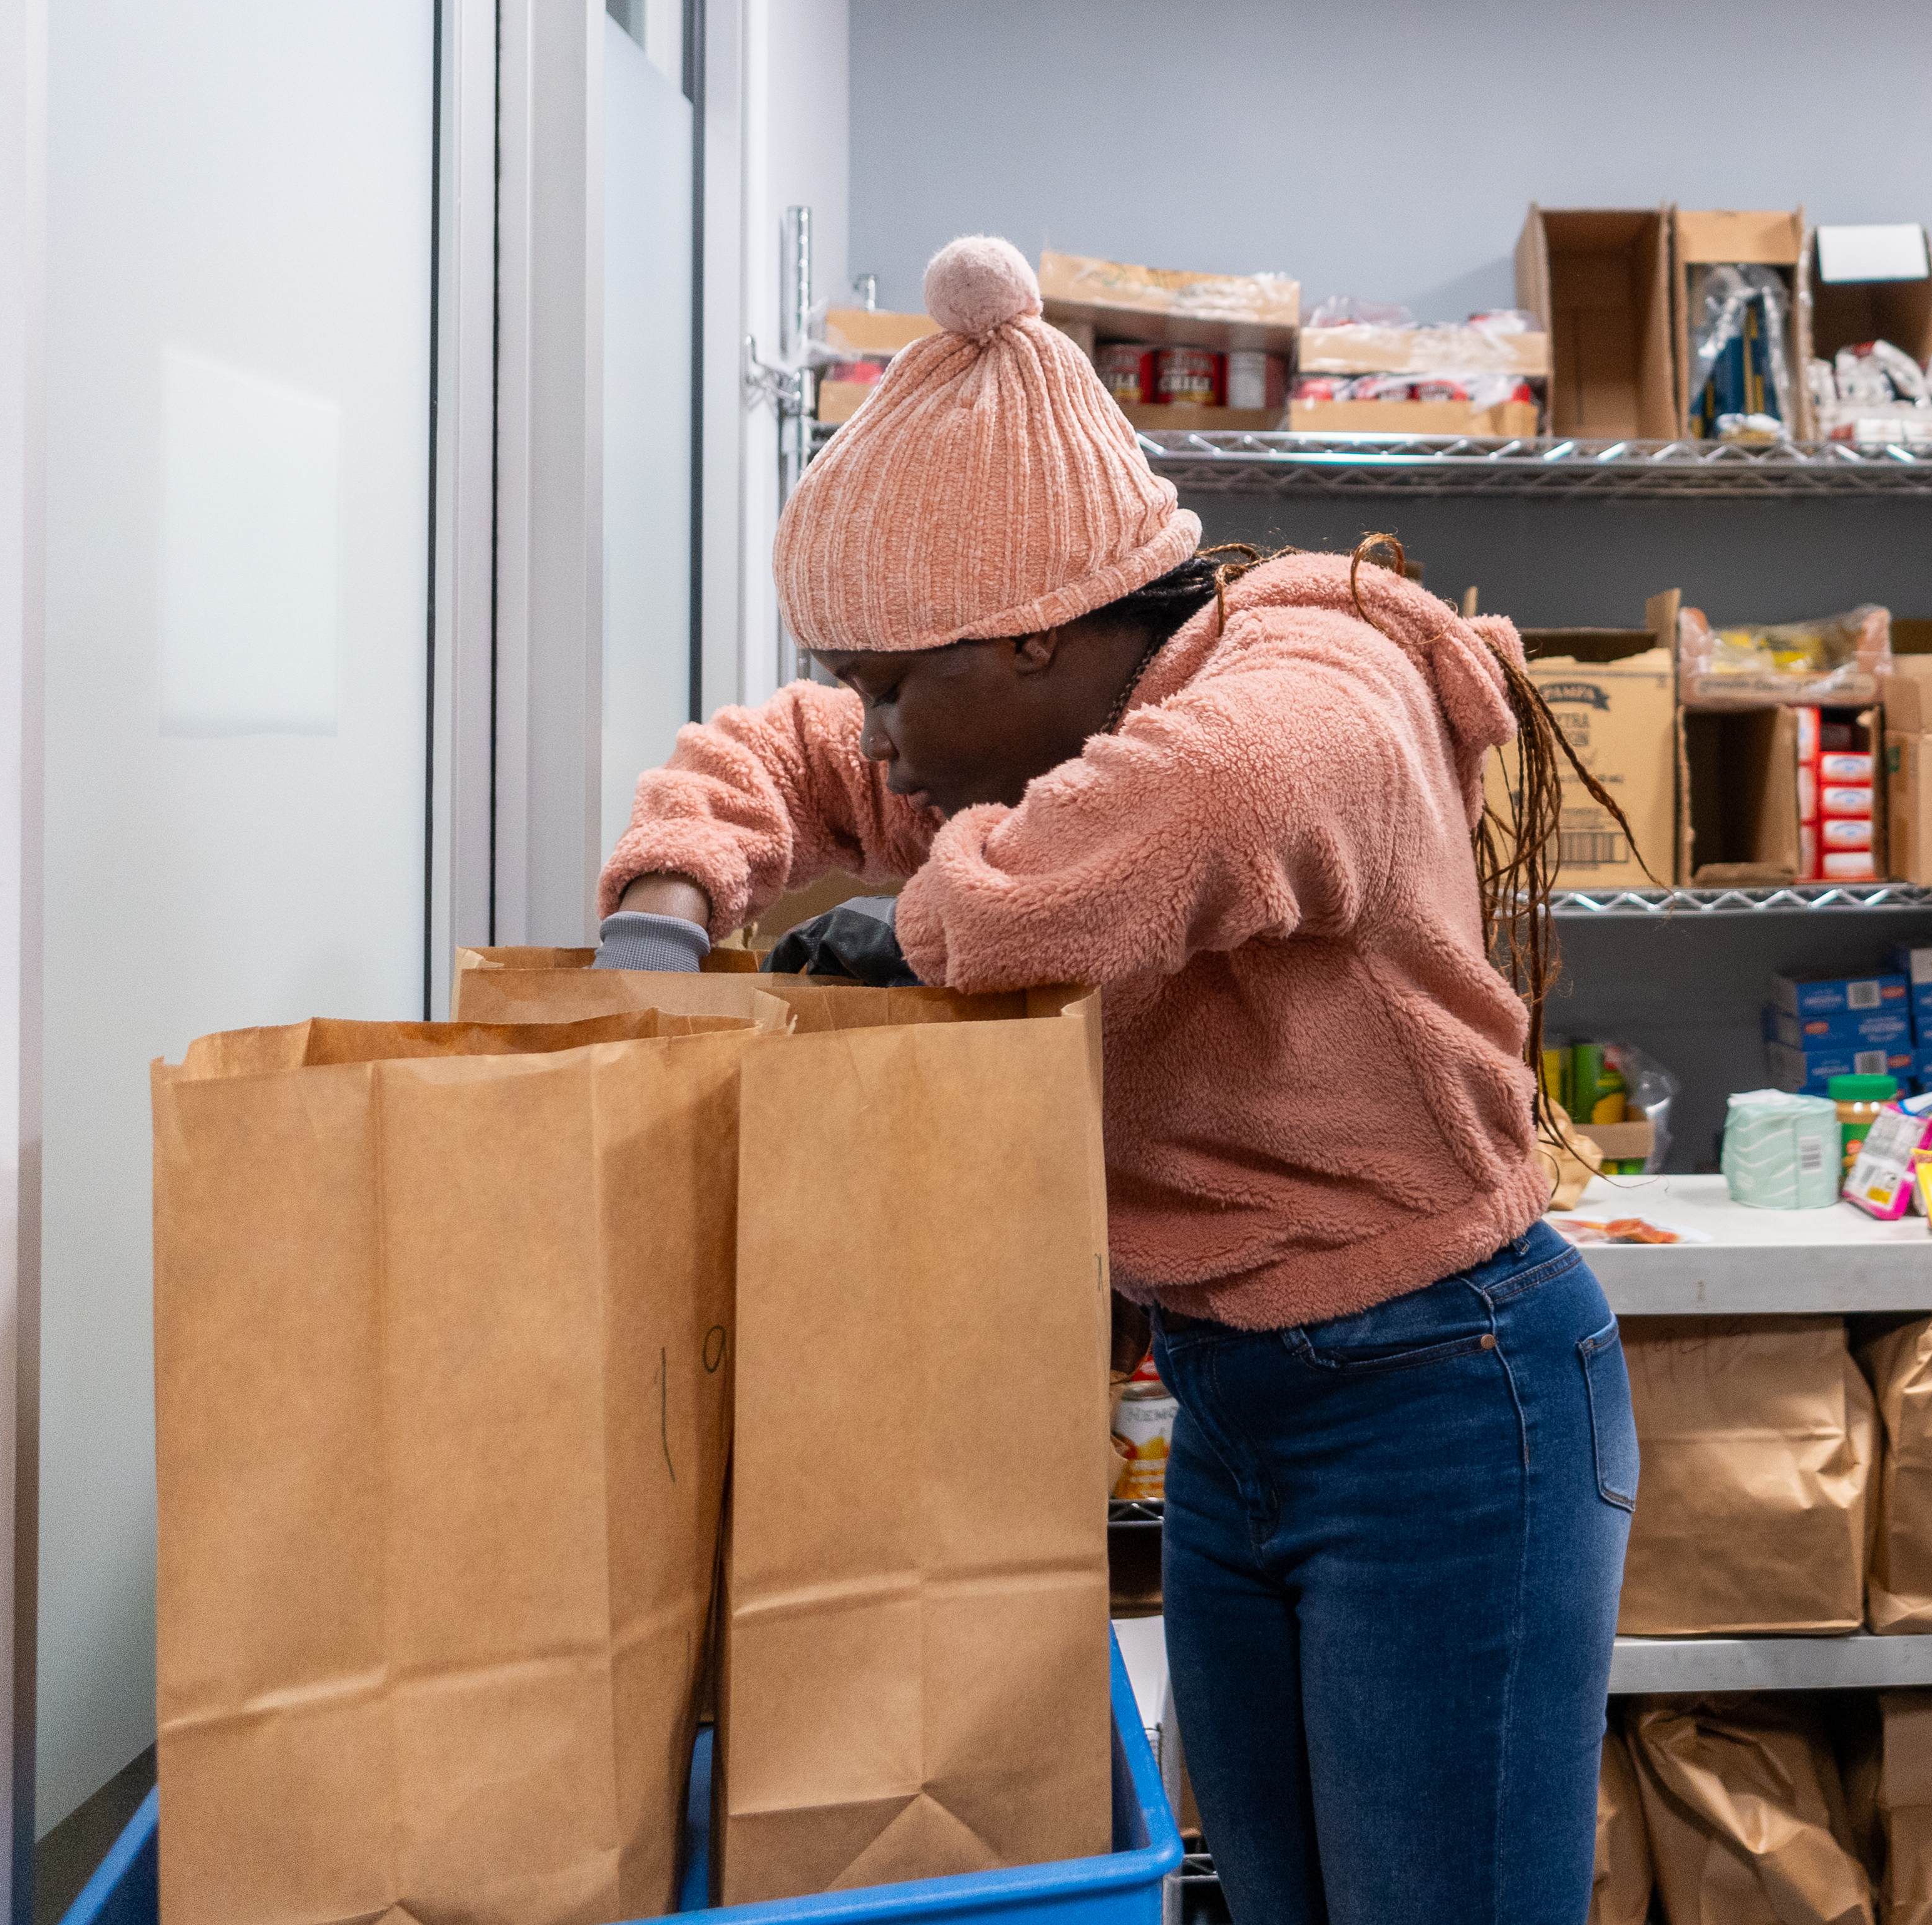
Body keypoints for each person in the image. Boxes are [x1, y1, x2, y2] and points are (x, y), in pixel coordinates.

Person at [591, 234, 1636, 1925]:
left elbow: (1197, 808)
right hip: (1240, 1408)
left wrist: (909, 935)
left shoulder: (1314, 696)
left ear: (1022, 643)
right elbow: (768, 752)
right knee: (1282, 1900)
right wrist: (669, 891)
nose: (870, 741)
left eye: (890, 688)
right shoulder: (1021, 739)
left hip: (1449, 1403)